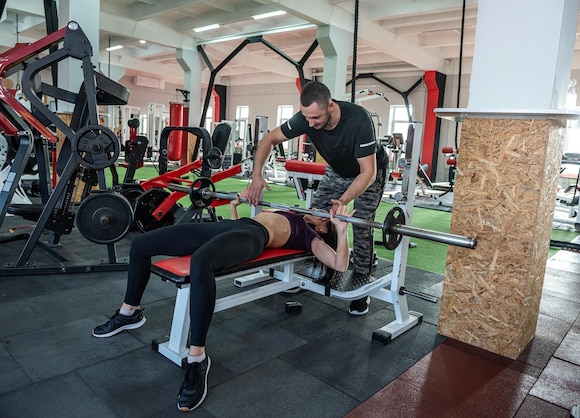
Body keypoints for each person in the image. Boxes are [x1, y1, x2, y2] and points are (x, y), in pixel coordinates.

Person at [92, 197, 355, 412]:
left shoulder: (312, 237)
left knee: (201, 261)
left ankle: (196, 359)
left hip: (254, 235)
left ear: (323, 228)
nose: (321, 212)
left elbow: (340, 264)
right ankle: (130, 312)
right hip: (229, 226)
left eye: (324, 217)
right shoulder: (292, 211)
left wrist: (342, 231)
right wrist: (237, 205)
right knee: (140, 244)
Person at [242, 80, 389, 316]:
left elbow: (368, 173)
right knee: (314, 219)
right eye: (306, 118)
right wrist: (257, 176)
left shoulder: (358, 119)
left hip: (369, 172)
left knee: (360, 223)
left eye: (315, 119)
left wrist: (343, 200)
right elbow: (270, 139)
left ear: (330, 106)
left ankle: (362, 282)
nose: (310, 124)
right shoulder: (306, 118)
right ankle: (321, 268)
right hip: (336, 170)